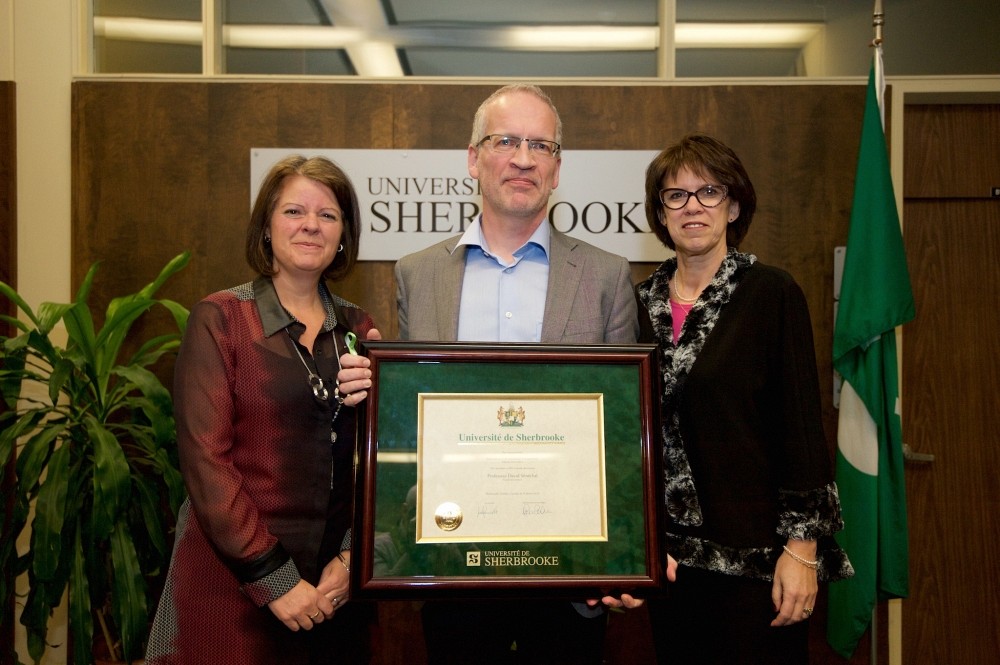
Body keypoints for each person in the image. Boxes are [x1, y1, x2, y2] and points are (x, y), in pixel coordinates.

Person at [393, 84, 639, 665]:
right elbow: (413, 416)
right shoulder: (418, 275)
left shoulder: (606, 277)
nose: (524, 158)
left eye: (541, 145)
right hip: (454, 563)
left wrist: (624, 551)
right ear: (474, 159)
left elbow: (622, 429)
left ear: (557, 169)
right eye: (506, 141)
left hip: (571, 574)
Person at [146, 155, 380, 665]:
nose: (311, 226)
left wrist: (349, 558)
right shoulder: (222, 319)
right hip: (232, 585)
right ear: (267, 227)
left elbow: (379, 459)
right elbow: (207, 464)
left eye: (328, 215)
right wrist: (276, 580)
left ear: (344, 235)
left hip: (333, 591)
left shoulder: (361, 331)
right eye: (294, 211)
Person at [635, 133, 854, 665]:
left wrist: (802, 550)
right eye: (675, 195)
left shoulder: (771, 293)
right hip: (668, 564)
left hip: (759, 564)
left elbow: (801, 425)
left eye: (708, 192)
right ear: (660, 213)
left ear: (733, 206)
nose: (692, 207)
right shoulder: (636, 304)